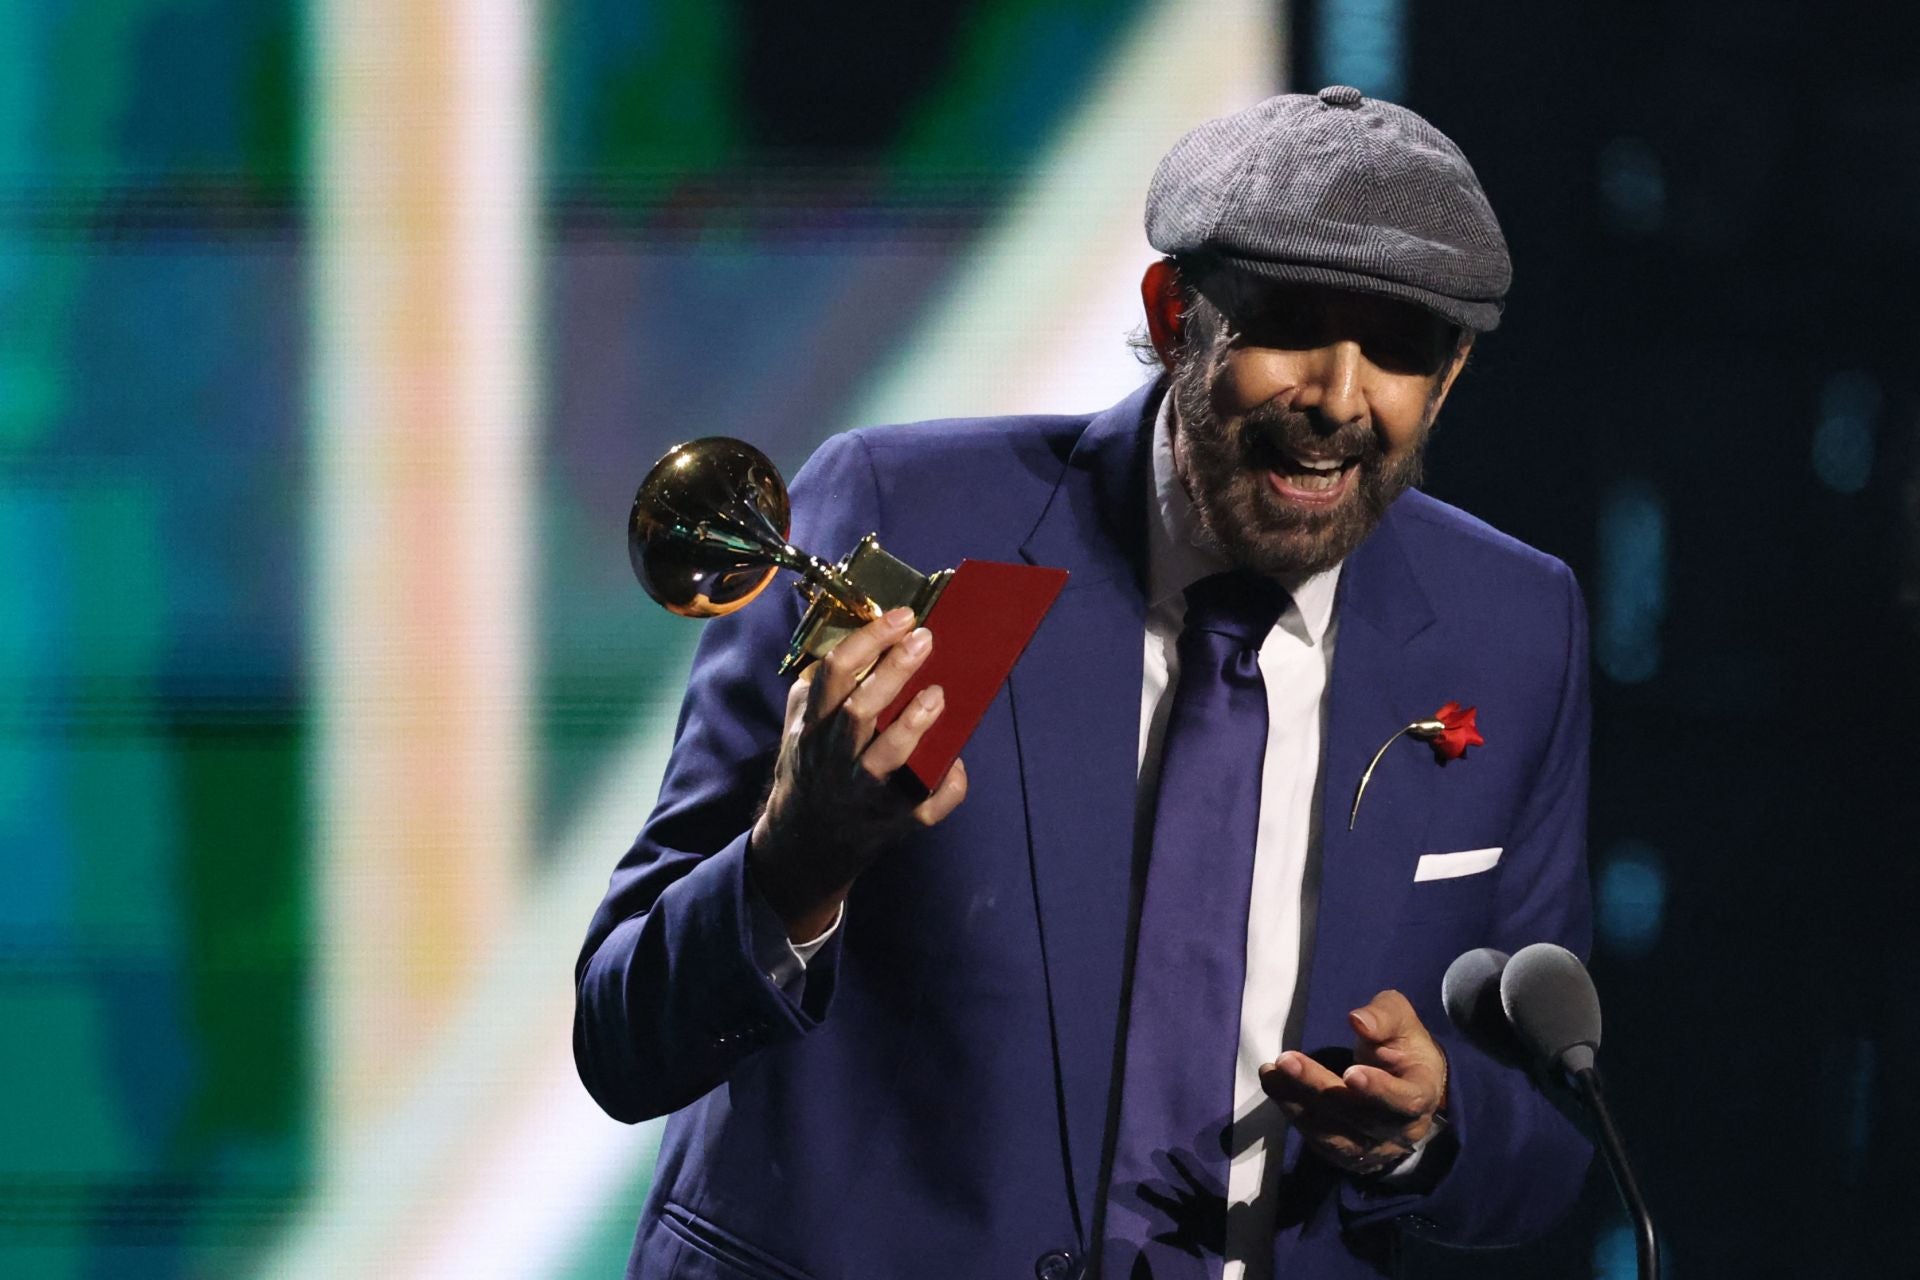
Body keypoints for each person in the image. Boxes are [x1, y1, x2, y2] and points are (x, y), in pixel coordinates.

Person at [575, 87, 1592, 1280]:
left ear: (1454, 371)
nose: (1337, 395)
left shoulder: (1512, 624)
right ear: (1174, 316)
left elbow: (1551, 1139)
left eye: (1400, 347)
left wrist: (1433, 1132)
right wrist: (796, 859)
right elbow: (623, 1035)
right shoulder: (907, 516)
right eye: (1291, 327)